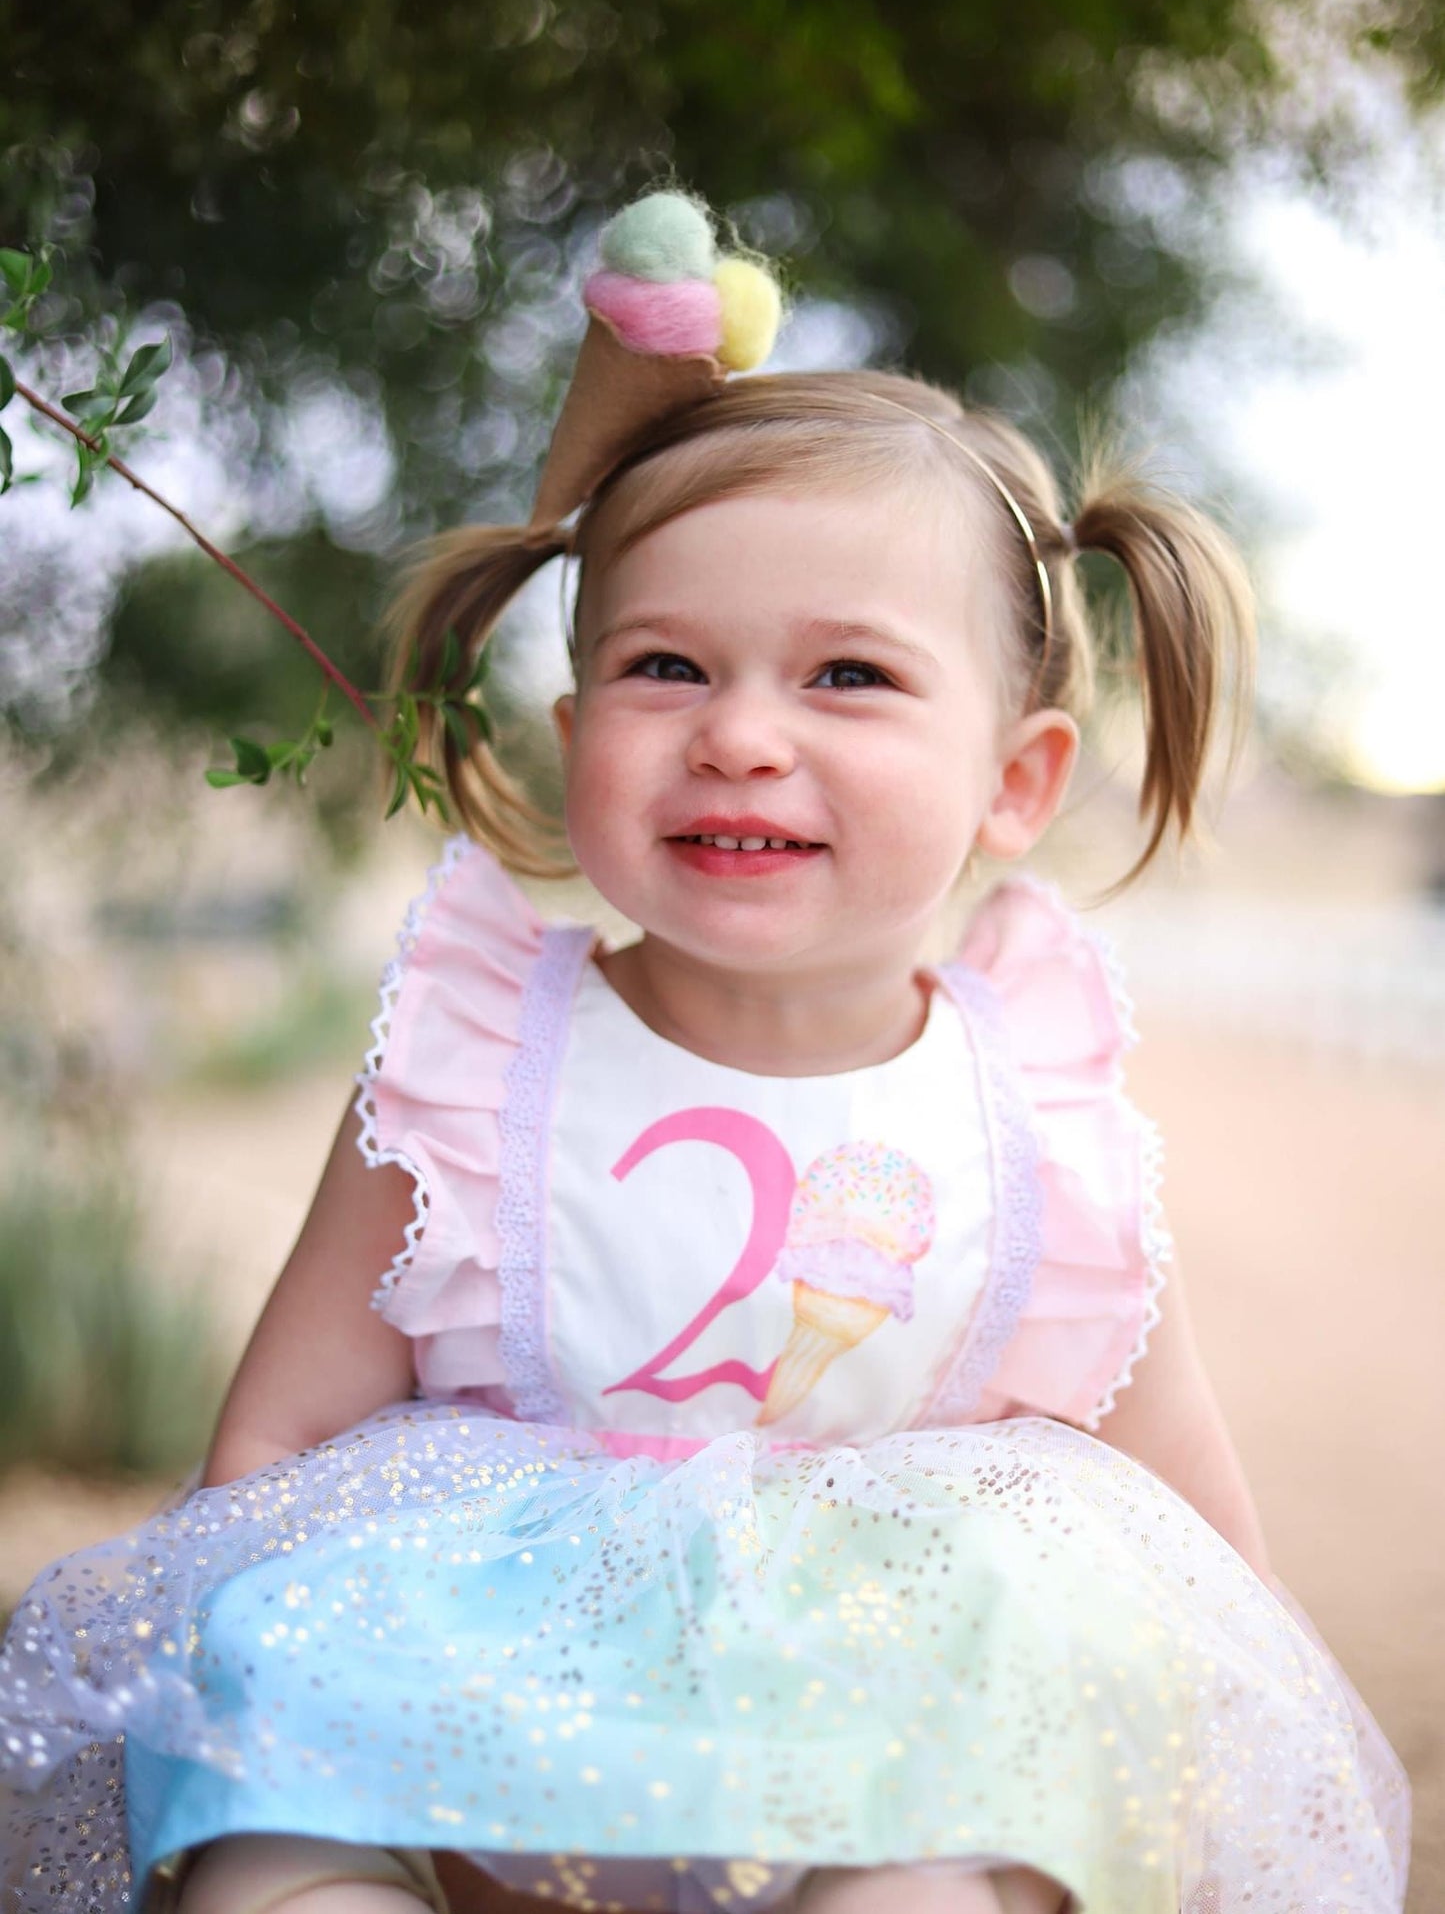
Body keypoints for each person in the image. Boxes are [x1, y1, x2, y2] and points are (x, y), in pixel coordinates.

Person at [0, 192, 1410, 1914]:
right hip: (481, 1726)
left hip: (884, 1738)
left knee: (992, 1814)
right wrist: (283, 1714)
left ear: (1014, 781)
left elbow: (1191, 1549)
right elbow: (271, 1462)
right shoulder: (472, 1074)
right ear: (577, 730)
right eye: (665, 666)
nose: (739, 735)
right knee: (274, 1828)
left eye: (847, 676)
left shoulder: (1038, 1130)